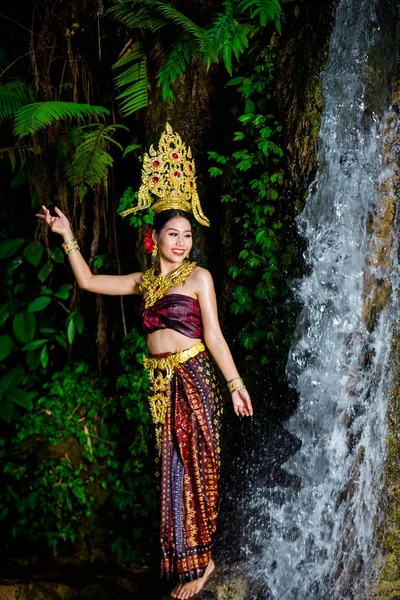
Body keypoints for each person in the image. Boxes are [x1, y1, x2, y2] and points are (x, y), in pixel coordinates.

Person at [36, 123, 253, 600]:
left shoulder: (200, 278)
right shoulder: (142, 280)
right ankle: (184, 564)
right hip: (158, 385)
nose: (182, 242)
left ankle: (206, 562)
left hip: (194, 376)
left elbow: (213, 335)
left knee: (197, 463)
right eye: (173, 234)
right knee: (170, 468)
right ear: (155, 238)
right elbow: (90, 282)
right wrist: (68, 235)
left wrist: (235, 382)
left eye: (188, 234)